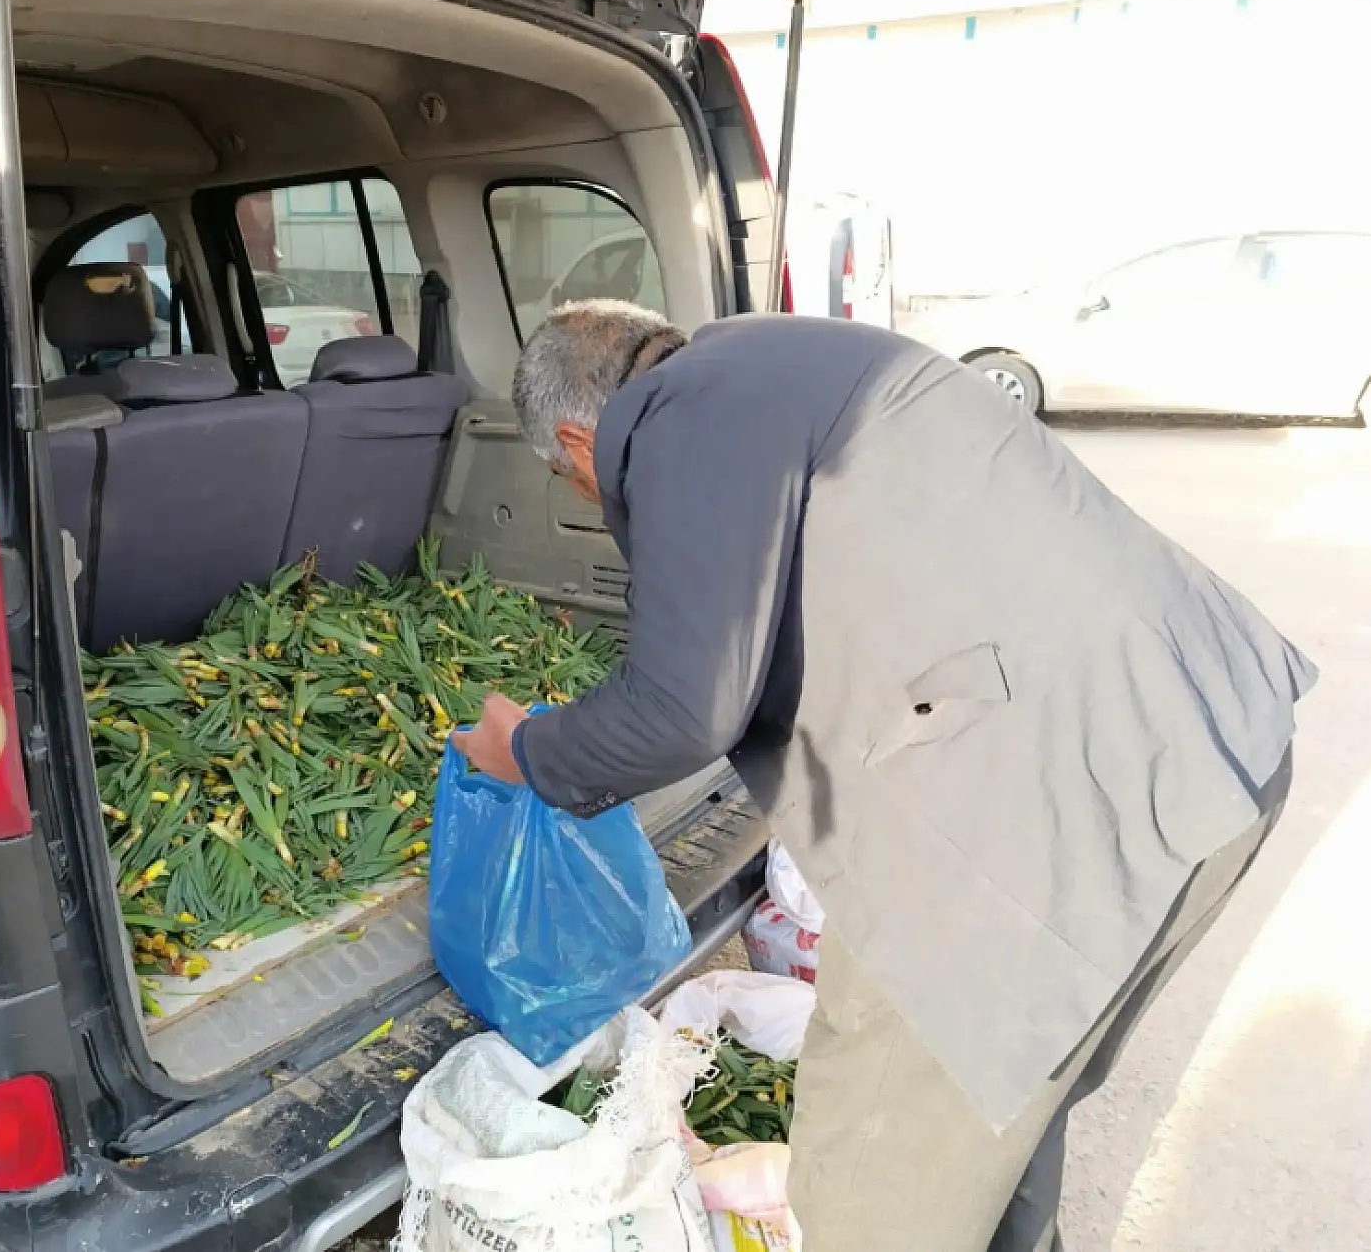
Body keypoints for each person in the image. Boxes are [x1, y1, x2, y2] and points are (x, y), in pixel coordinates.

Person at [452, 300, 1314, 1252]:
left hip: (1029, 827)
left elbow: (684, 707)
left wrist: (527, 751)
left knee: (871, 1203)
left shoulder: (674, 421)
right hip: (1207, 740)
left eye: (566, 477)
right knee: (1003, 1118)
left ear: (580, 437)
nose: (585, 495)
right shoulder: (772, 354)